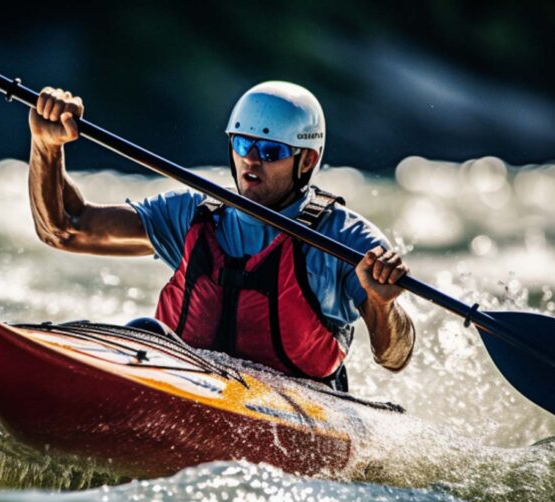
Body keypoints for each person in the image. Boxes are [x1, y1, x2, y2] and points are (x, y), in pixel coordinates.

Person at [27, 81, 414, 391]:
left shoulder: (345, 239)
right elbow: (64, 229)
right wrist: (46, 147)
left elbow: (395, 357)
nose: (251, 160)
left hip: (298, 406)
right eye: (243, 144)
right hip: (185, 386)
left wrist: (381, 307)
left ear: (307, 160)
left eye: (270, 150)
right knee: (145, 333)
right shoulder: (192, 215)